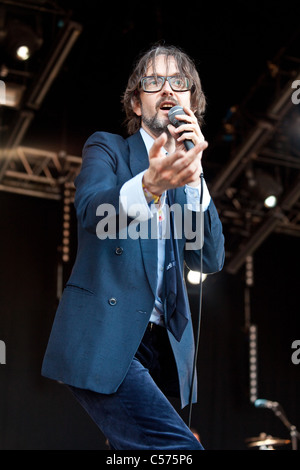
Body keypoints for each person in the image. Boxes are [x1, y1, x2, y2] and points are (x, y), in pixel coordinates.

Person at [42, 44, 225, 450]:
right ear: (136, 104)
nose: (167, 90)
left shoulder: (185, 181)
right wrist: (148, 186)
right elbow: (93, 212)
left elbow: (209, 257)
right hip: (109, 336)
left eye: (179, 82)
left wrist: (194, 181)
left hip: (161, 349)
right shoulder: (107, 149)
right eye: (153, 81)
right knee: (183, 451)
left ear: (192, 103)